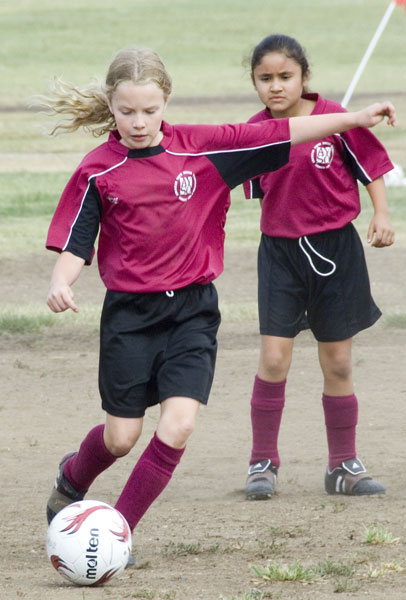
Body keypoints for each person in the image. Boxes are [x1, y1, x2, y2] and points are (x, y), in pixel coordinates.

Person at [42, 47, 395, 544]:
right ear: (111, 106)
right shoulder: (98, 169)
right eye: (127, 112)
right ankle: (72, 477)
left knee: (178, 427)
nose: (139, 122)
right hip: (129, 317)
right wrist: (61, 281)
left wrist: (353, 119)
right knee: (121, 438)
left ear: (166, 102)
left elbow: (282, 131)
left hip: (192, 312)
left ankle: (118, 532)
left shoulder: (204, 148)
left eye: (149, 110)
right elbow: (77, 243)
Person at [243, 34, 395, 501]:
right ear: (254, 82)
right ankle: (262, 463)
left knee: (339, 362)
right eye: (265, 78)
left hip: (336, 252)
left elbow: (372, 168)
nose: (275, 86)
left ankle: (342, 465)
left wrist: (382, 214)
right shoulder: (254, 132)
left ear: (304, 78)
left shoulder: (335, 118)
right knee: (273, 359)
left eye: (285, 76)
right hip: (280, 255)